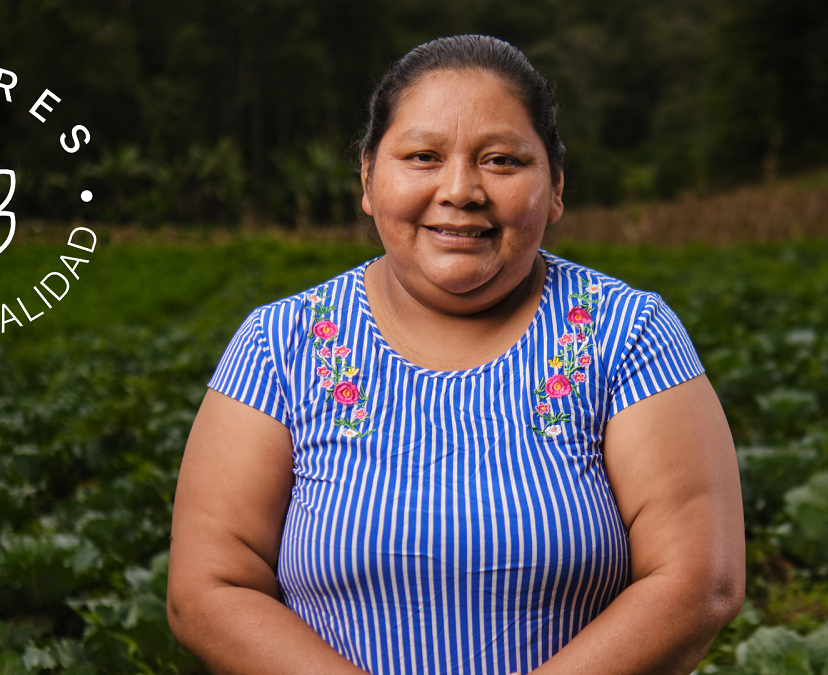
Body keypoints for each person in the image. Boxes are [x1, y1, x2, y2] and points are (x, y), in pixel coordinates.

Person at [166, 35, 744, 675]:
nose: (460, 189)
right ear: (367, 177)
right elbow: (210, 589)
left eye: (501, 160)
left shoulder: (627, 333)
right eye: (422, 156)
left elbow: (698, 582)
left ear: (554, 186)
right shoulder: (281, 343)